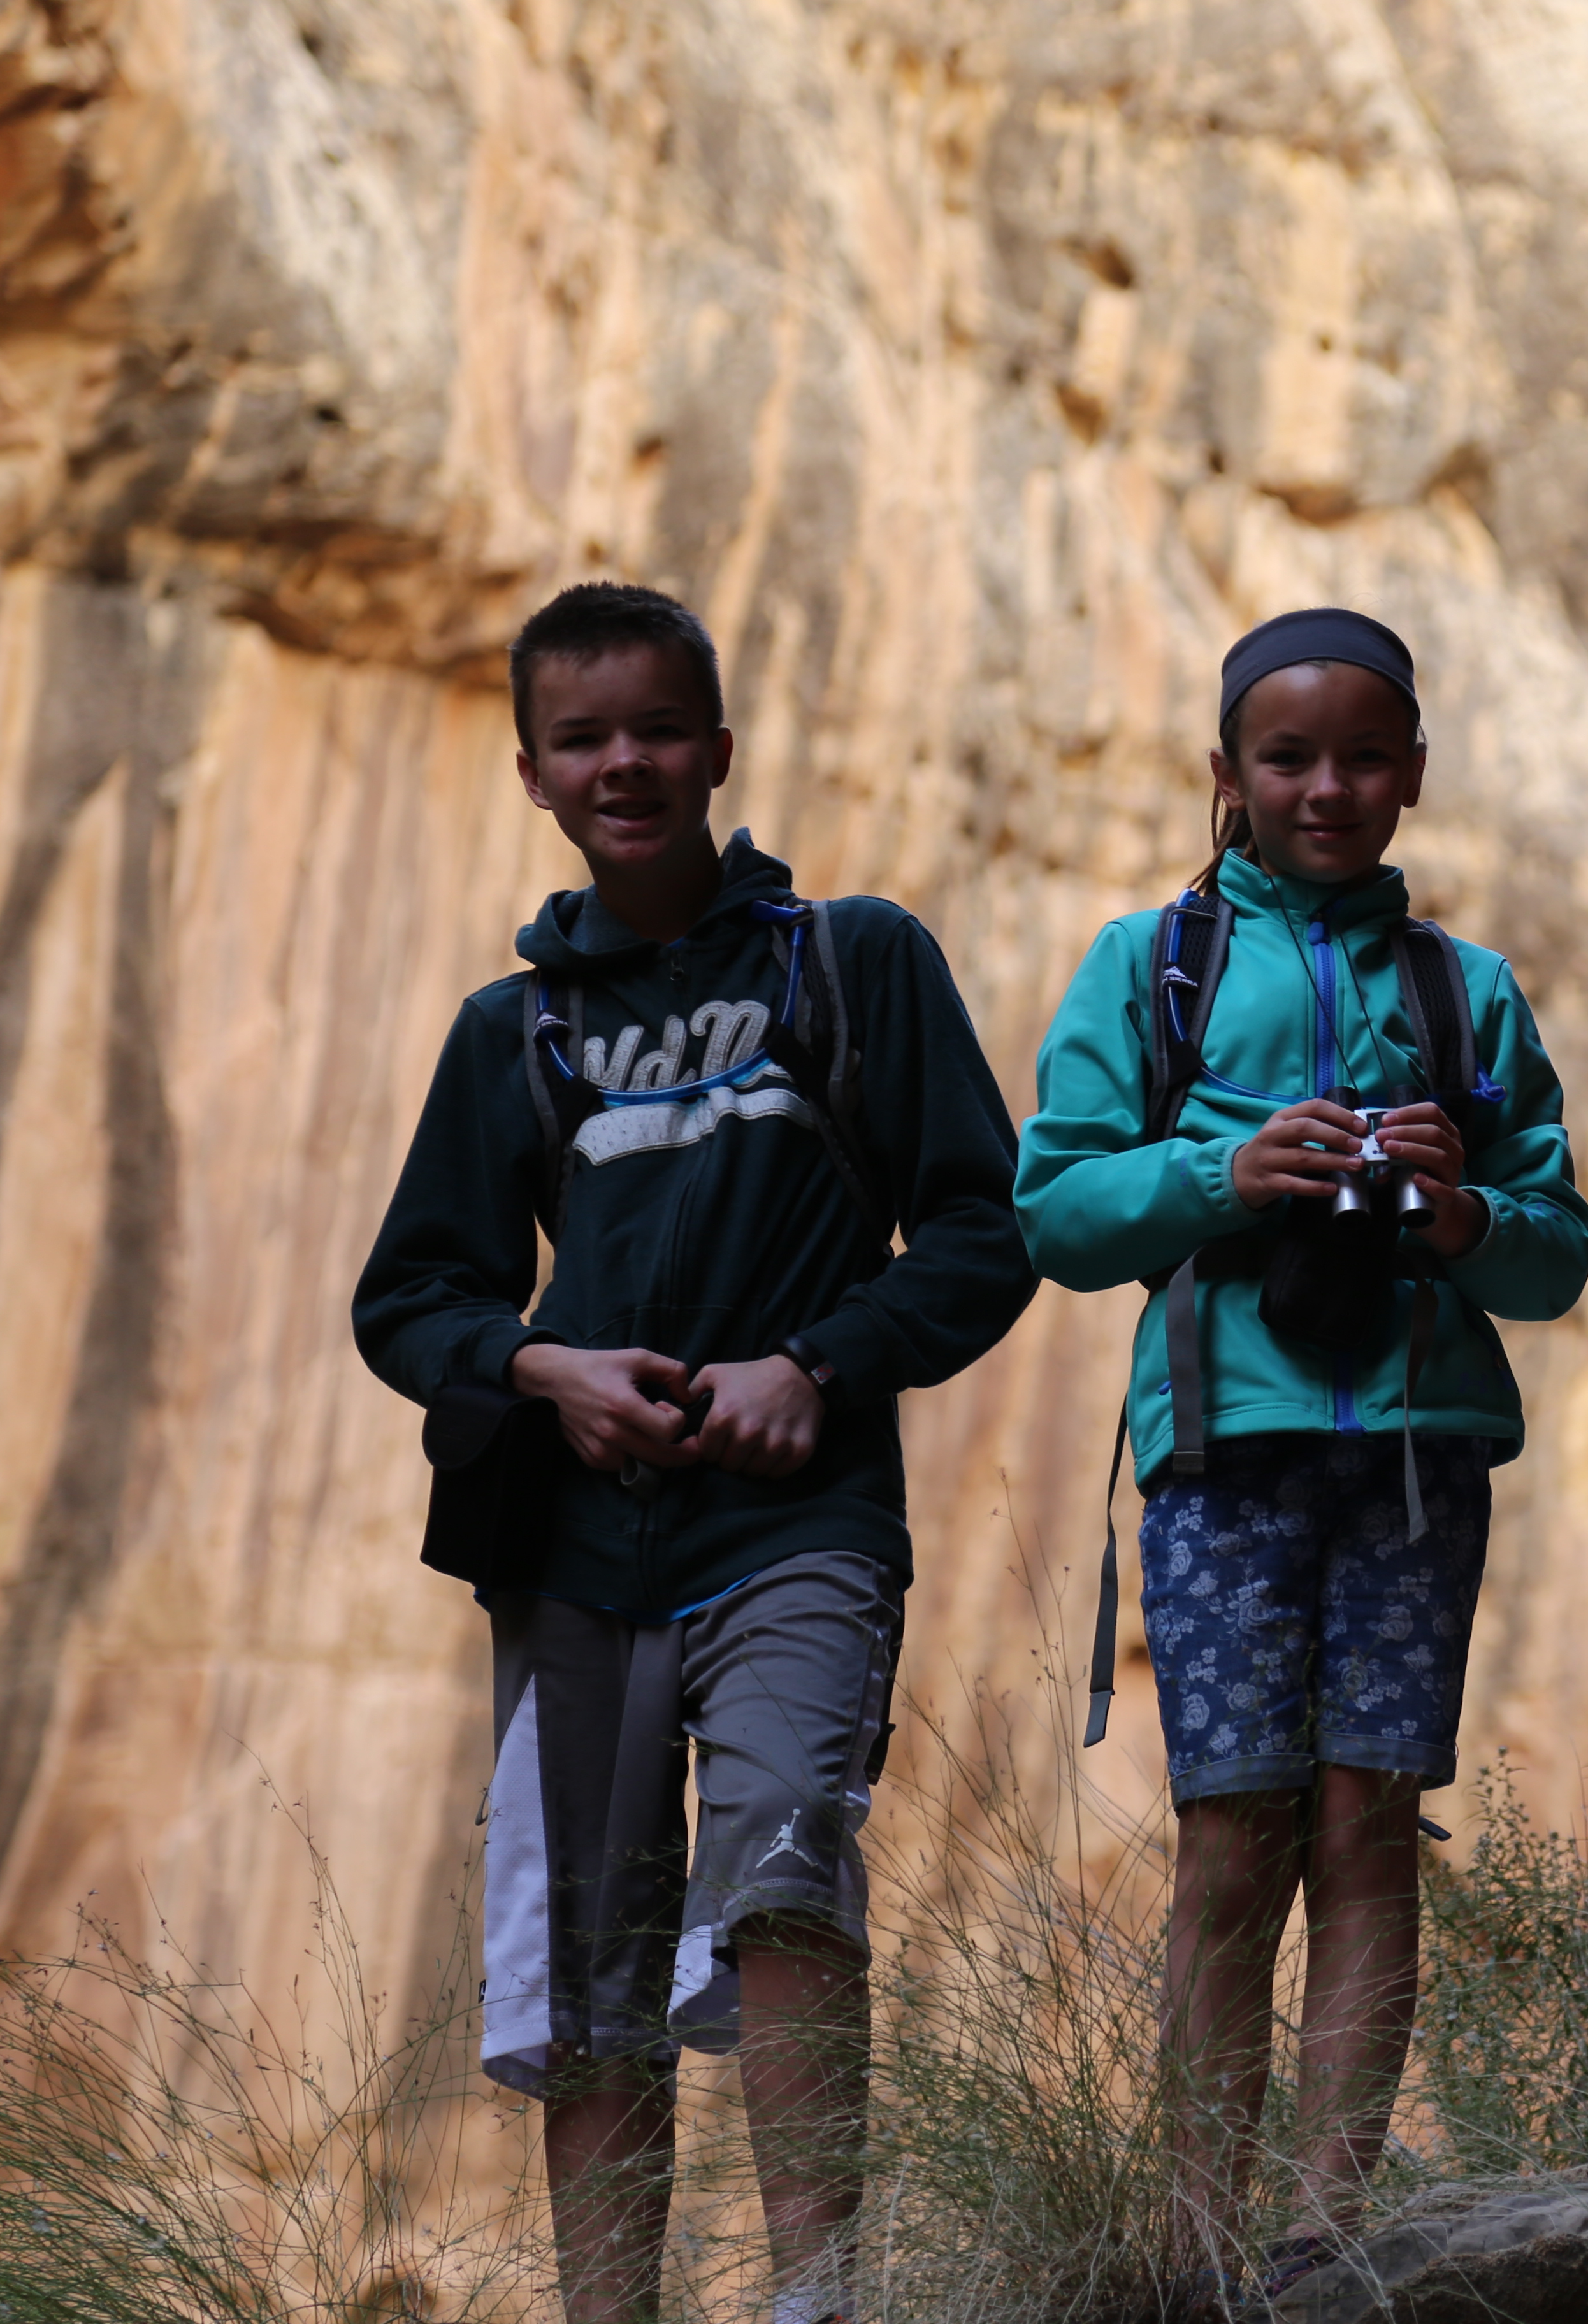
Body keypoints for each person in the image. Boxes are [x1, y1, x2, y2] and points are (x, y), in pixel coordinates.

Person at [352, 582, 1039, 2324]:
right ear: (532, 772)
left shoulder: (852, 959)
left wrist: (821, 1362)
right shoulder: (514, 1032)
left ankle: (821, 2293)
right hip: (577, 1548)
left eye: (659, 727)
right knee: (589, 1962)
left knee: (789, 1869)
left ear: (721, 748)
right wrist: (540, 1366)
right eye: (582, 738)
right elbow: (411, 1294)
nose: (626, 763)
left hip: (795, 1524)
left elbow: (980, 1230)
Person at [1016, 608, 1588, 2291]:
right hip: (1227, 1449)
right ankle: (1199, 2235)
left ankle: (1320, 2232)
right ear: (1228, 777)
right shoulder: (1154, 967)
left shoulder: (1466, 992)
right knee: (1232, 1830)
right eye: (1288, 758)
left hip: (1417, 1451)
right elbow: (1055, 1206)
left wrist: (1459, 1210)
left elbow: (1553, 1252)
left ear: (1410, 773)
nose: (1325, 787)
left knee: (1364, 1819)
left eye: (1360, 757)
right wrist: (1227, 1177)